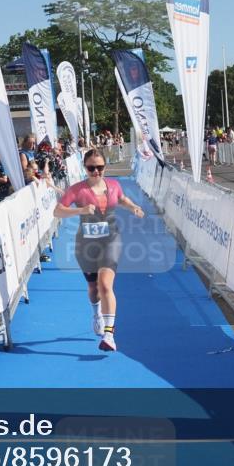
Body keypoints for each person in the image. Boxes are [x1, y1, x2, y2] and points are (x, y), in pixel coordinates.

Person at [52, 149, 145, 352]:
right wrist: (80, 210)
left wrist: (134, 207)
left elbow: (121, 199)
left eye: (100, 167)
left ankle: (109, 335)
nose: (96, 172)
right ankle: (97, 314)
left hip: (111, 239)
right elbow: (57, 211)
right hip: (85, 244)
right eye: (91, 168)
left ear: (105, 167)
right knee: (94, 289)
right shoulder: (76, 189)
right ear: (85, 168)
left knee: (105, 285)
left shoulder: (113, 185)